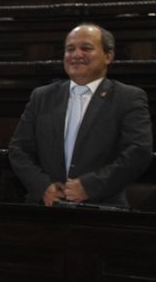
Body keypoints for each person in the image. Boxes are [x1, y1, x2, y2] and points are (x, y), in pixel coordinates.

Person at [8, 24, 152, 208]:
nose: (76, 55)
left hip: (103, 210)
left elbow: (138, 151)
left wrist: (89, 187)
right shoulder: (42, 96)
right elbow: (19, 149)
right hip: (44, 209)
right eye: (70, 49)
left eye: (86, 48)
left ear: (108, 56)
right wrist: (43, 187)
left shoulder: (128, 98)